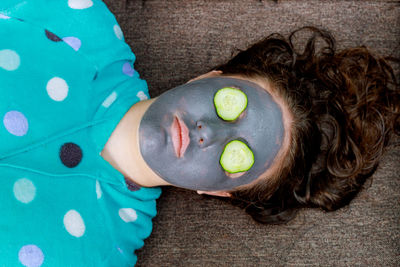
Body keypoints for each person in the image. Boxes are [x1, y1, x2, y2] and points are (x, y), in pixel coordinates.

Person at [1, 1, 398, 267]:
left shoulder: (99, 255)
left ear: (219, 192)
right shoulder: (78, 20)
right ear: (208, 77)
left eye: (237, 154)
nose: (209, 132)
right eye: (230, 103)